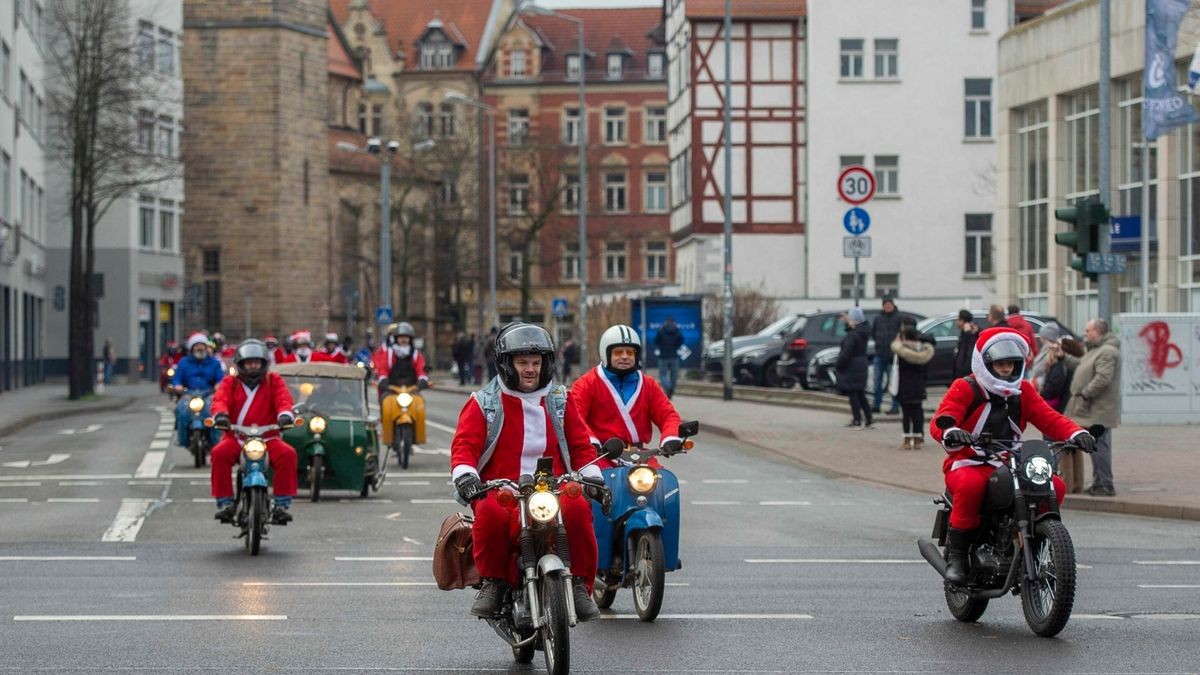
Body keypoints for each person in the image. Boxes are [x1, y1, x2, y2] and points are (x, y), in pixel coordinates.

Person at [449, 322, 605, 621]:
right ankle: (493, 583)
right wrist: (467, 476)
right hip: (502, 489)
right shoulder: (483, 403)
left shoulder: (561, 400)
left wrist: (593, 477)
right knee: (490, 514)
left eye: (537, 362)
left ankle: (578, 585)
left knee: (578, 510)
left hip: (554, 489)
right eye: (522, 363)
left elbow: (581, 447)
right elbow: (464, 446)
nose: (531, 369)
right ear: (507, 364)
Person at [930, 327, 1095, 584]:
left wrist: (1076, 434)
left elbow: (1049, 418)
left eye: (1011, 363)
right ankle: (959, 557)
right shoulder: (965, 387)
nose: (1006, 369)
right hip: (969, 460)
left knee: (1054, 485)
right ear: (986, 363)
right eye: (1000, 363)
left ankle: (1035, 537)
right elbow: (943, 417)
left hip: (1011, 461)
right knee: (971, 485)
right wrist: (951, 431)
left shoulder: (1024, 391)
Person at [209, 340, 299, 525]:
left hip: (268, 437)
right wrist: (221, 415)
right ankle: (225, 503)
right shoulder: (230, 383)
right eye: (248, 363)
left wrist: (284, 415)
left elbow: (284, 399)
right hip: (237, 437)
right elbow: (220, 399)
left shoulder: (274, 380)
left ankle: (282, 504)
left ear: (264, 363)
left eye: (256, 362)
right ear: (241, 364)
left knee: (287, 454)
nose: (252, 367)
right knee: (219, 453)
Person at [571, 324, 683, 467]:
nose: (625, 357)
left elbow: (668, 415)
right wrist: (590, 441)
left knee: (664, 484)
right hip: (601, 455)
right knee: (591, 485)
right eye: (618, 352)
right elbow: (575, 418)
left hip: (640, 456)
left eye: (630, 353)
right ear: (606, 354)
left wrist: (671, 436)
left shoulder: (649, 385)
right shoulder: (586, 383)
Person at [1061, 317, 1121, 497]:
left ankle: (1104, 484)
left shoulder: (1107, 351)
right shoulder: (1095, 350)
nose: (1085, 334)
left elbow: (1103, 378)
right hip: (1091, 408)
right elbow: (1081, 366)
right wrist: (1063, 357)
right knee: (1095, 446)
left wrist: (1086, 393)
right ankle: (1099, 482)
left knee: (1099, 446)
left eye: (1088, 331)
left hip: (1097, 408)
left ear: (1098, 332)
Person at [170, 333, 226, 448]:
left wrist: (218, 384)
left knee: (214, 412)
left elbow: (220, 377)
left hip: (208, 393)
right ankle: (182, 438)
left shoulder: (214, 362)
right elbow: (177, 377)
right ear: (191, 348)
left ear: (206, 347)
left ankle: (216, 440)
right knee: (181, 409)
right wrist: (177, 385)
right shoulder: (184, 362)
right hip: (189, 393)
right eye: (196, 346)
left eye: (202, 345)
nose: (200, 348)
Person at [892, 324, 934, 450]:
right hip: (918, 385)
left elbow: (895, 364)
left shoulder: (901, 351)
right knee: (917, 413)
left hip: (904, 385)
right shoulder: (923, 351)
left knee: (906, 414)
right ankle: (917, 441)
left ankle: (906, 441)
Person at [371, 321, 430, 400]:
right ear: (396, 338)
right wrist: (383, 379)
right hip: (391, 388)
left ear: (410, 339)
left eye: (406, 337)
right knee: (386, 401)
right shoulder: (389, 353)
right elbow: (383, 368)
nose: (403, 339)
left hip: (411, 388)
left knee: (419, 402)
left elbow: (421, 368)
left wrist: (423, 379)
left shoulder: (416, 354)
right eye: (401, 337)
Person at [836, 307, 872, 429]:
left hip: (852, 366)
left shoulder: (853, 335)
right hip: (861, 364)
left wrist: (839, 364)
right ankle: (868, 418)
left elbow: (846, 352)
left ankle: (857, 419)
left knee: (853, 394)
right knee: (860, 393)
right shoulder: (862, 333)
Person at [871, 296, 903, 414]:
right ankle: (876, 405)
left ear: (893, 305)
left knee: (893, 382)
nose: (887, 307)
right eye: (885, 305)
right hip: (879, 354)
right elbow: (874, 333)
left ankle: (895, 406)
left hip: (893, 356)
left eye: (889, 305)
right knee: (877, 381)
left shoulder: (899, 318)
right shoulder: (878, 319)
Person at [653, 316, 685, 399]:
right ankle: (671, 389)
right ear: (673, 322)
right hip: (674, 356)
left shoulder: (661, 331)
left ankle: (668, 387)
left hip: (663, 356)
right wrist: (676, 347)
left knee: (662, 375)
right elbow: (681, 340)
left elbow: (656, 341)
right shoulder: (677, 331)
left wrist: (660, 347)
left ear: (665, 322)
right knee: (674, 375)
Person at [952, 310, 979, 379]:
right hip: (959, 374)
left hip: (964, 375)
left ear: (962, 321)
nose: (956, 322)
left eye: (958, 319)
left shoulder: (969, 336)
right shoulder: (964, 335)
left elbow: (968, 355)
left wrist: (968, 334)